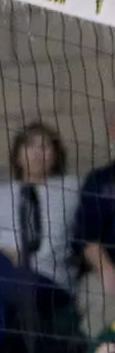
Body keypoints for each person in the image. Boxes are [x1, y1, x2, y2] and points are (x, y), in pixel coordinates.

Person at [0, 122, 82, 353]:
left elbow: (59, 240)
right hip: (5, 265)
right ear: (17, 155)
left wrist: (26, 256)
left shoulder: (71, 188)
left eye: (45, 146)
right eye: (29, 146)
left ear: (56, 155)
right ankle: (20, 317)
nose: (37, 152)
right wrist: (8, 250)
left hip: (49, 275)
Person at [74, 115, 115, 335]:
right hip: (101, 273)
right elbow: (87, 238)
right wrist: (107, 270)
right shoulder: (99, 181)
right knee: (105, 304)